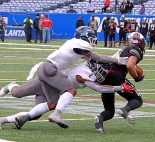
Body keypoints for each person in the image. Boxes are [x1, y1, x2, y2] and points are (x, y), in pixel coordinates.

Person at [0, 26, 129, 129]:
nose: (92, 39)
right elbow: (97, 57)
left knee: (43, 106)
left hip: (47, 73)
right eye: (91, 37)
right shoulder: (79, 43)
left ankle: (5, 117)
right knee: (72, 90)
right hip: (49, 69)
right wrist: (116, 60)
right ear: (85, 37)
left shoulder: (77, 47)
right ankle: (56, 114)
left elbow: (88, 57)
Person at [0, 60, 133, 129]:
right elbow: (100, 88)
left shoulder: (88, 69)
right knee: (17, 93)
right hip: (43, 84)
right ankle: (10, 85)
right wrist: (119, 88)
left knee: (34, 116)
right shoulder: (83, 74)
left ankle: (3, 120)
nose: (101, 74)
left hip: (52, 91)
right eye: (100, 70)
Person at [93, 32, 145, 133]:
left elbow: (130, 64)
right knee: (137, 100)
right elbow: (130, 65)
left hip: (105, 76)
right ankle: (124, 110)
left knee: (109, 111)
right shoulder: (136, 49)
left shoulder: (123, 50)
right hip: (116, 76)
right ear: (141, 43)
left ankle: (99, 120)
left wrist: (138, 71)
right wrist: (136, 77)